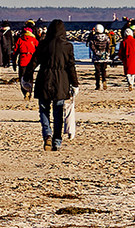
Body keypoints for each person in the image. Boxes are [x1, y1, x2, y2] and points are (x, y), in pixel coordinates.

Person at [22, 20, 78, 151]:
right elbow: (71, 66)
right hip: (61, 82)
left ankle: (47, 134)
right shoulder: (67, 46)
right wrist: (75, 84)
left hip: (44, 79)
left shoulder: (43, 44)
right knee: (58, 113)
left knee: (44, 110)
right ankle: (57, 141)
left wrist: (26, 77)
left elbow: (33, 62)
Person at [85, 24, 113, 90]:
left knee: (97, 71)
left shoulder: (94, 38)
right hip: (104, 56)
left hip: (96, 57)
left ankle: (98, 84)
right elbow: (109, 46)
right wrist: (107, 54)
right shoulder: (106, 38)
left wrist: (96, 52)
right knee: (103, 70)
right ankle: (104, 80)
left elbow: (92, 46)